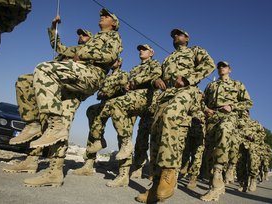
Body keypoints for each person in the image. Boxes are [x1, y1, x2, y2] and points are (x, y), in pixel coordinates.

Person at [9, 8, 122, 188]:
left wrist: (82, 55)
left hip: (90, 76)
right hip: (72, 81)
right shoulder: (85, 45)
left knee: (44, 68)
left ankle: (43, 128)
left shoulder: (113, 37)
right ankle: (53, 169)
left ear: (114, 23)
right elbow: (60, 48)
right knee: (27, 83)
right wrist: (54, 29)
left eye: (107, 16)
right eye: (101, 14)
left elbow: (109, 56)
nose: (102, 16)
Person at [2, 15, 93, 174]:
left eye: (84, 34)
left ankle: (55, 169)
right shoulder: (72, 49)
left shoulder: (93, 52)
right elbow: (57, 46)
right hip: (54, 89)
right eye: (80, 34)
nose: (81, 36)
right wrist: (53, 27)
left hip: (71, 93)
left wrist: (75, 64)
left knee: (61, 127)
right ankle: (31, 160)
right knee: (42, 120)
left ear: (91, 39)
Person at [136, 28, 215, 203]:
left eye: (179, 34)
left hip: (186, 91)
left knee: (171, 116)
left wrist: (188, 78)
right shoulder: (168, 58)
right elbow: (158, 74)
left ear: (187, 38)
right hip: (166, 94)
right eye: (173, 35)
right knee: (156, 132)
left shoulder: (195, 51)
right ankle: (156, 186)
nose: (175, 37)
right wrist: (155, 80)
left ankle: (170, 172)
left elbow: (210, 65)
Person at [200, 61, 253, 201]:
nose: (221, 68)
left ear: (230, 69)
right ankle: (216, 184)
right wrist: (206, 109)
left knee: (224, 132)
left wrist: (232, 106)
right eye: (219, 66)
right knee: (210, 151)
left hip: (229, 116)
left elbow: (248, 103)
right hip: (212, 118)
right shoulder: (211, 85)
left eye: (224, 66)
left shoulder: (237, 84)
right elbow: (202, 102)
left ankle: (217, 181)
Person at [71, 57, 128, 177]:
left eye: (115, 61)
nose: (112, 63)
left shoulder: (123, 74)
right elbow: (100, 92)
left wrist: (114, 91)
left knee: (122, 135)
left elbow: (125, 89)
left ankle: (123, 171)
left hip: (117, 105)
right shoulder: (106, 76)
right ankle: (89, 163)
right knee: (92, 114)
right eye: (111, 61)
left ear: (120, 63)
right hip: (104, 104)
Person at [236, 113, 266, 192]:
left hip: (253, 146)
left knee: (252, 162)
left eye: (246, 113)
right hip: (241, 146)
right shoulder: (237, 122)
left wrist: (254, 137)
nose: (244, 115)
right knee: (240, 165)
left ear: (249, 114)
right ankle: (243, 184)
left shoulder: (255, 123)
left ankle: (253, 179)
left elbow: (262, 133)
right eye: (243, 113)